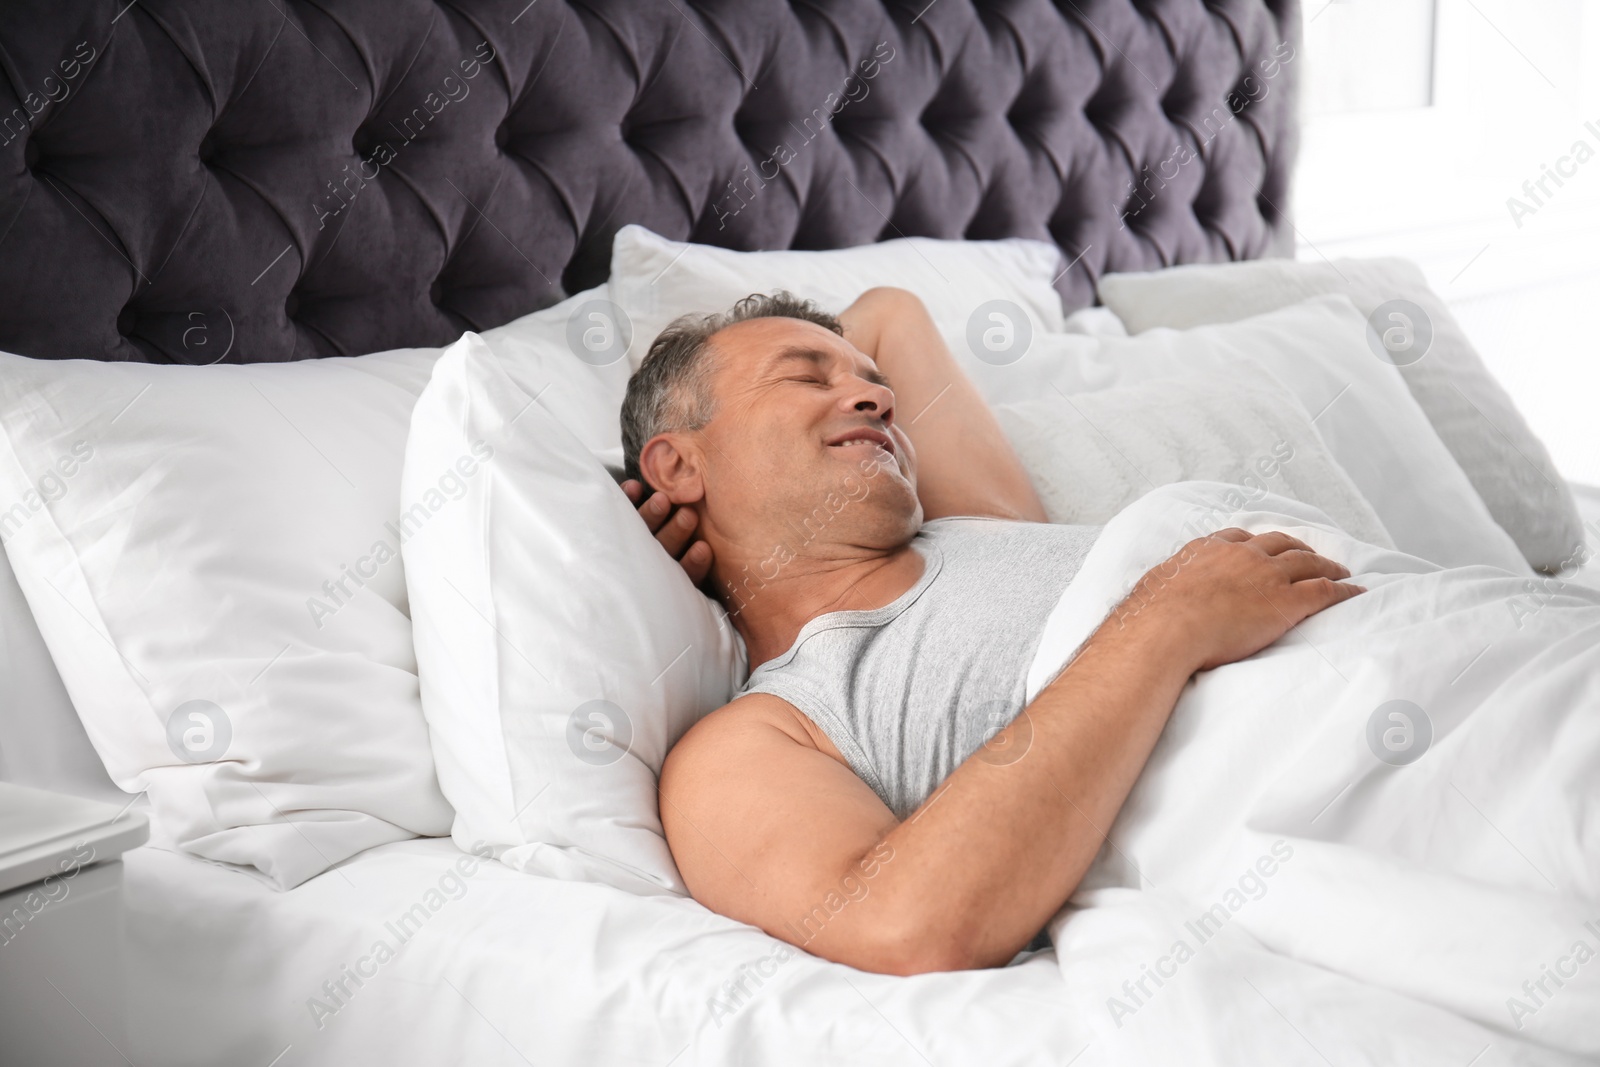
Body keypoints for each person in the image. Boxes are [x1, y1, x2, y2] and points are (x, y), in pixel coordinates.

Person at [617, 287, 1365, 976]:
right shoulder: (757, 736)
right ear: (677, 461)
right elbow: (903, 926)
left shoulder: (982, 525)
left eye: (874, 384)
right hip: (1339, 770)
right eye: (807, 379)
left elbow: (890, 312)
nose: (876, 396)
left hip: (1394, 630)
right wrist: (1166, 621)